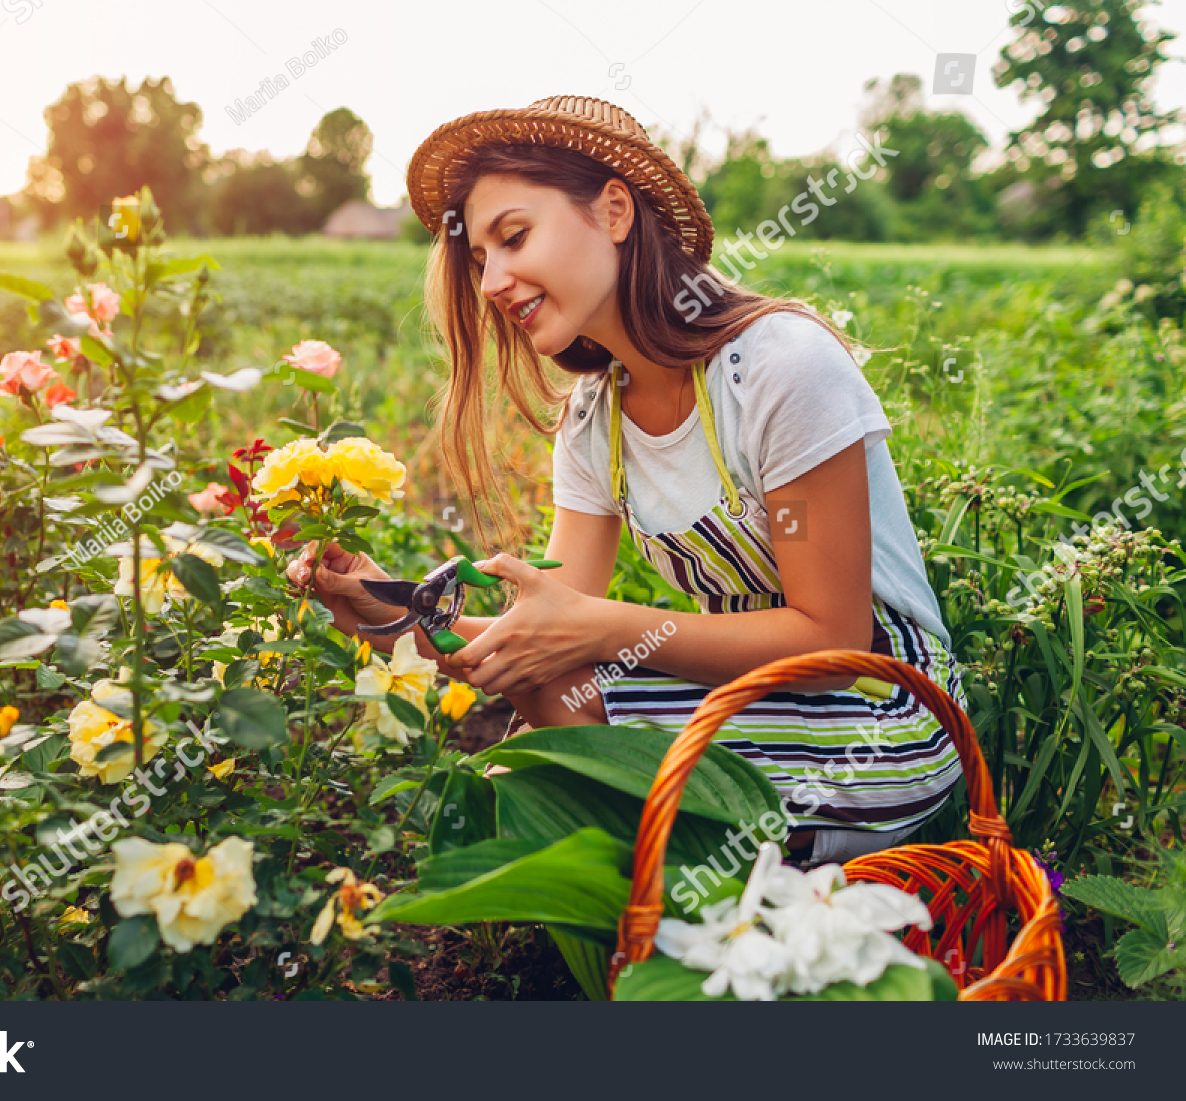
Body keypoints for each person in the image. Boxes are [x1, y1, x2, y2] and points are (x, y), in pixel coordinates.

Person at [287, 95, 963, 867]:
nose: (492, 282)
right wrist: (395, 611)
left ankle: (715, 911)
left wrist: (607, 627)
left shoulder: (779, 368)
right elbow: (542, 641)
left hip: (882, 708)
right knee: (551, 707)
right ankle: (715, 910)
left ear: (613, 211)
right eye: (481, 261)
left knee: (557, 779)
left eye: (514, 237)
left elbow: (833, 637)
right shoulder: (594, 418)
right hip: (760, 699)